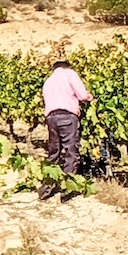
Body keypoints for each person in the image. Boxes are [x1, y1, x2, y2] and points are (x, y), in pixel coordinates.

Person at [41, 59, 93, 199]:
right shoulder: (70, 74)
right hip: (67, 116)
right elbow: (82, 95)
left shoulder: (49, 81)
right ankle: (67, 189)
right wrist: (90, 97)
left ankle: (46, 188)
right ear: (67, 66)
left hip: (51, 118)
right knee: (71, 151)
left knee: (54, 153)